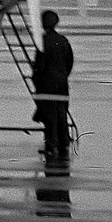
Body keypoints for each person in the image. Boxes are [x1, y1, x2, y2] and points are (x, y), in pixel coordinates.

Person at [32, 10, 75, 158]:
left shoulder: (42, 42)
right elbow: (69, 61)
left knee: (50, 115)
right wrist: (63, 76)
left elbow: (40, 64)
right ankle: (64, 142)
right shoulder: (63, 41)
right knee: (61, 113)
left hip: (47, 83)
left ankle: (52, 144)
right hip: (62, 83)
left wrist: (36, 79)